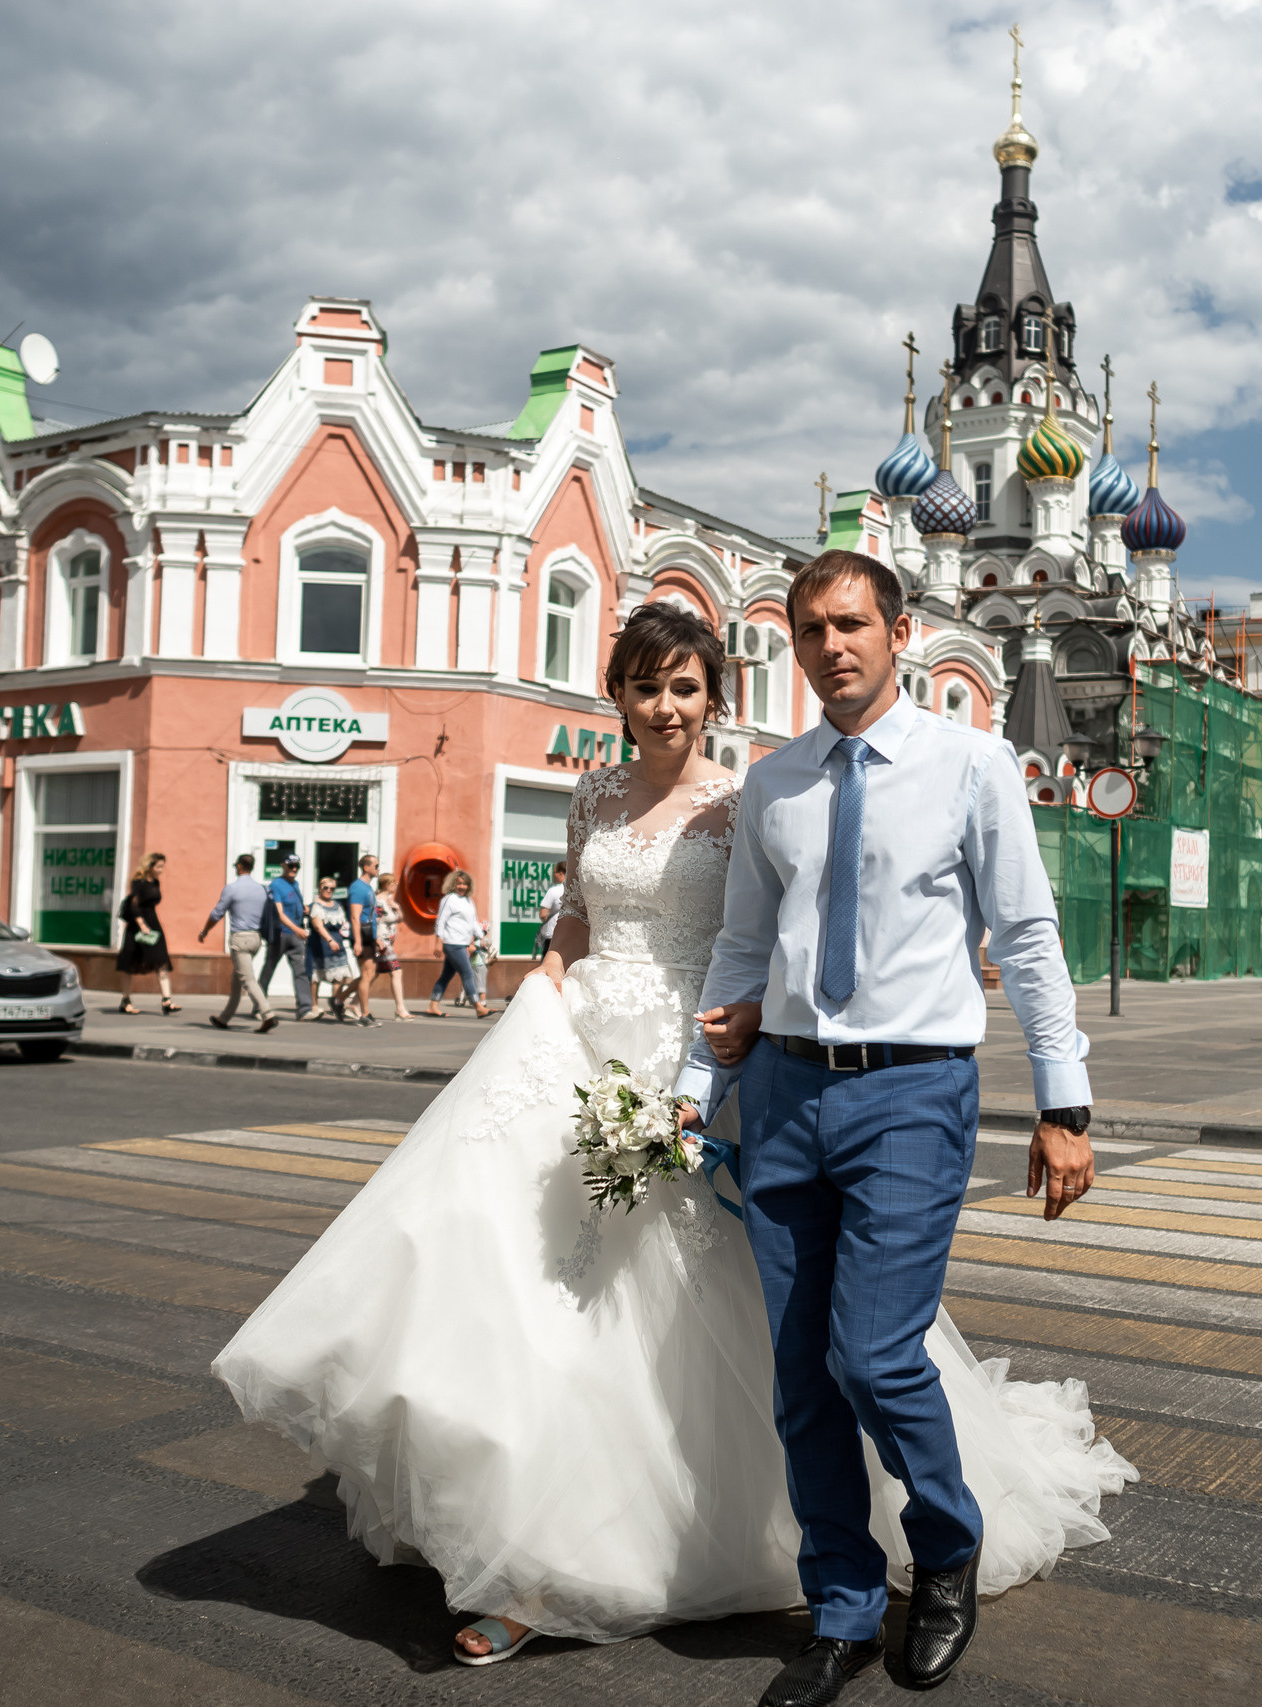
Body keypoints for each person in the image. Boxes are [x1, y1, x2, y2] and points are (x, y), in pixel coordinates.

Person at [212, 597, 1128, 1679]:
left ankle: (898, 1543)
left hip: (719, 1067)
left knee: (809, 1342)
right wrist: (541, 1002)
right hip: (585, 1049)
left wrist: (736, 1044)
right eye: (645, 686)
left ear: (717, 695)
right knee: (537, 1304)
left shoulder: (754, 798)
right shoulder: (594, 795)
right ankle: (532, 1557)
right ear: (618, 694)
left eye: (684, 687)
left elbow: (769, 937)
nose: (663, 707)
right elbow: (576, 924)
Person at [679, 552, 1108, 1704]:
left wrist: (1064, 1106)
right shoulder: (775, 784)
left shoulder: (970, 767)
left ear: (899, 630)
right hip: (781, 1091)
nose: (831, 647)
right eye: (810, 629)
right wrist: (692, 1081)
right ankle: (845, 1605)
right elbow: (739, 951)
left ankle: (948, 1547)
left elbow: (1024, 937)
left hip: (913, 1093)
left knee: (871, 1351)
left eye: (851, 624)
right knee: (801, 1377)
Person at [200, 853, 280, 1032]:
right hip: (256, 939)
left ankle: (267, 1014)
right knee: (237, 978)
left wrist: (205, 930)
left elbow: (216, 914)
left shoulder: (232, 888)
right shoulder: (263, 889)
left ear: (239, 867)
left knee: (248, 980)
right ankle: (224, 1018)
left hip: (240, 939)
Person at [115, 852, 179, 1015]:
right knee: (129, 964)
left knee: (161, 961)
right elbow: (133, 905)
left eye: (163, 866)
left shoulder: (155, 882)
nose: (162, 870)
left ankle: (167, 1000)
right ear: (149, 866)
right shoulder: (138, 882)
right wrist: (141, 924)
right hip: (137, 926)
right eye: (159, 866)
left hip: (154, 924)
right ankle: (126, 1000)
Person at [427, 870, 489, 1018]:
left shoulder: (469, 901)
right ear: (453, 883)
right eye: (459, 883)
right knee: (467, 973)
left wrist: (481, 937)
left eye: (465, 883)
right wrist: (438, 942)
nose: (462, 886)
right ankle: (478, 1006)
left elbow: (473, 922)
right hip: (452, 942)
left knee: (447, 974)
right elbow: (440, 921)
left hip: (462, 942)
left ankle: (432, 1006)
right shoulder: (449, 899)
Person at [259, 854, 313, 1017]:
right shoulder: (277, 884)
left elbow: (292, 906)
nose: (294, 869)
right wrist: (298, 930)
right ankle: (259, 1006)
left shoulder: (294, 884)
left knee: (301, 971)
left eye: (297, 866)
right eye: (291, 866)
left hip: (296, 936)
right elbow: (280, 913)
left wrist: (304, 909)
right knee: (269, 968)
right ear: (283, 865)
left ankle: (305, 1009)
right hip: (280, 934)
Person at [356, 872, 414, 1022]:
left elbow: (399, 919)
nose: (395, 885)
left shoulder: (389, 901)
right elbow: (375, 920)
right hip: (383, 943)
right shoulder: (378, 902)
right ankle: (400, 1009)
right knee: (396, 972)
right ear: (387, 884)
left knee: (372, 975)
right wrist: (377, 940)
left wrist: (397, 908)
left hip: (387, 943)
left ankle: (351, 1002)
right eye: (393, 883)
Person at [304, 874, 358, 1021]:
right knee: (316, 977)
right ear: (320, 888)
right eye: (326, 888)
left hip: (338, 945)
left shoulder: (338, 905)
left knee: (339, 978)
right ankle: (314, 1006)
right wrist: (329, 940)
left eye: (332, 888)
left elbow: (344, 924)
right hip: (320, 945)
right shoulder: (315, 905)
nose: (329, 890)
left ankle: (335, 1003)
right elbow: (318, 925)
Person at [346, 855, 384, 1025]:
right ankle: (364, 1014)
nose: (378, 868)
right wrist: (358, 942)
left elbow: (370, 915)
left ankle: (339, 1000)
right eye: (376, 865)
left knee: (370, 973)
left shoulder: (368, 887)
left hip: (369, 936)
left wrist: (376, 940)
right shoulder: (358, 888)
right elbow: (355, 916)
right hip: (362, 935)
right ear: (366, 867)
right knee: (367, 975)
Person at [533, 860, 568, 959]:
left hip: (552, 934)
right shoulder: (574, 890)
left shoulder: (553, 891)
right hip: (569, 935)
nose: (553, 875)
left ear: (561, 873)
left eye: (554, 872)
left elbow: (543, 914)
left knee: (548, 963)